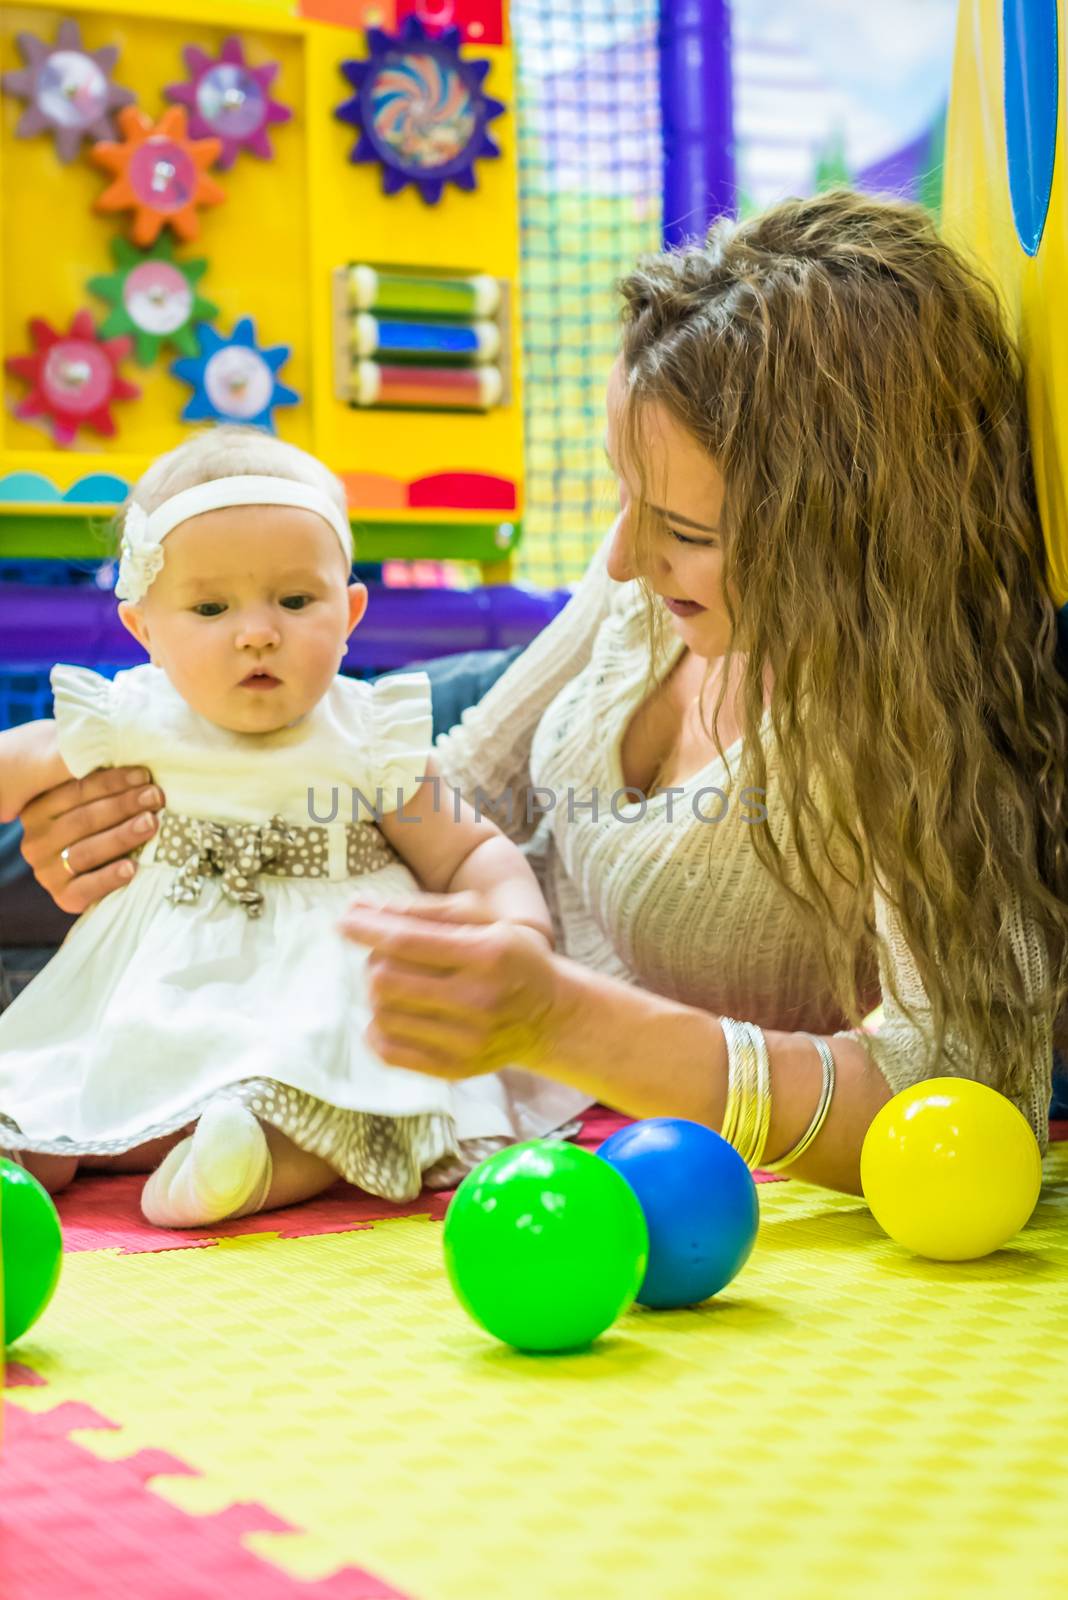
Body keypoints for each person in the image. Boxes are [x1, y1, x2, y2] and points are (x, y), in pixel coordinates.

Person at [16, 191, 1068, 1198]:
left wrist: (563, 1020)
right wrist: (199, 826)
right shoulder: (648, 597)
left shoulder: (917, 738)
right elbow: (460, 782)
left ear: (842, 539)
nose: (620, 564)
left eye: (686, 534)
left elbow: (962, 1099)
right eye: (627, 498)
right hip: (466, 774)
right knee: (95, 807)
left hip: (511, 930)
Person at [0, 427, 588, 1226]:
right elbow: (19, 762)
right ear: (144, 630)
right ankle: (44, 1146)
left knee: (334, 1099)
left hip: (323, 986)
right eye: (209, 607)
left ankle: (250, 1164)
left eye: (294, 600)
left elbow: (469, 848)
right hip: (160, 976)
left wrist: (516, 924)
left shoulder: (370, 733)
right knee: (63, 1076)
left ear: (348, 613)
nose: (256, 632)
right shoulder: (134, 714)